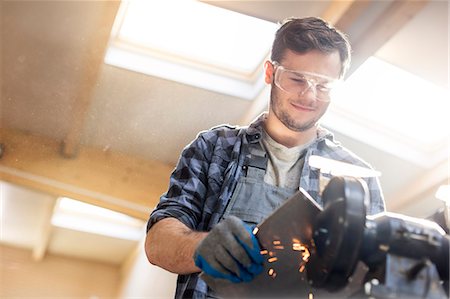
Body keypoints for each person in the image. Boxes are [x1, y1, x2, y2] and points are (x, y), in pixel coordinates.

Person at [145, 16, 385, 299]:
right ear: (271, 73)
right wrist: (201, 247)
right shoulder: (215, 147)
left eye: (323, 86)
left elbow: (377, 277)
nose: (309, 96)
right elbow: (158, 241)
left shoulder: (356, 178)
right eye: (296, 79)